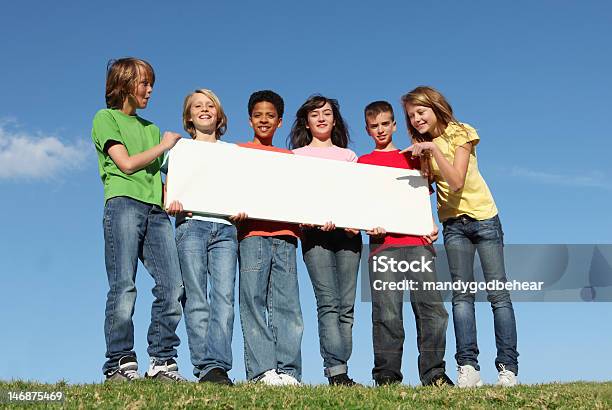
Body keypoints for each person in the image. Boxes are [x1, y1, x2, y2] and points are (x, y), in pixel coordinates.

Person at [401, 86, 519, 387]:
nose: (416, 119)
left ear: (435, 106)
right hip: (454, 226)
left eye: (420, 111)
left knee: (497, 294)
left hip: (484, 220)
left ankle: (507, 367)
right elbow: (422, 190)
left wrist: (434, 150)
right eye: (411, 115)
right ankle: (468, 366)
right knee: (462, 297)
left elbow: (455, 181)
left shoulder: (461, 132)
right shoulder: (422, 146)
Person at [91, 57, 186, 382]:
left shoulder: (152, 128)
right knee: (124, 286)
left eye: (151, 84)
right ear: (124, 84)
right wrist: (163, 146)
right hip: (123, 206)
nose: (149, 90)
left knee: (173, 286)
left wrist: (175, 195)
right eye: (144, 83)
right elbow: (127, 164)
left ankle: (161, 361)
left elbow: (161, 177)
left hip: (156, 213)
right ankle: (119, 362)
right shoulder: (105, 118)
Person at [358, 100, 454, 387]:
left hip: (417, 242)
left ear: (395, 125)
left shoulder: (412, 157)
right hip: (382, 245)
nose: (380, 130)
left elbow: (424, 195)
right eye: (374, 126)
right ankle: (387, 374)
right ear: (367, 129)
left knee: (432, 309)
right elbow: (361, 205)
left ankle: (434, 372)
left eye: (385, 124)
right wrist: (367, 224)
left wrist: (431, 224)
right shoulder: (362, 163)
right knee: (387, 311)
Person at [164, 89, 239, 385]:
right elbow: (166, 186)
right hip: (191, 226)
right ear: (189, 115)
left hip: (225, 229)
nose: (204, 110)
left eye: (210, 105)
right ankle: (205, 366)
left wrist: (240, 208)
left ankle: (219, 364)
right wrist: (172, 201)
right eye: (198, 106)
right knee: (196, 296)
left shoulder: (233, 152)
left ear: (219, 114)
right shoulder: (178, 149)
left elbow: (242, 188)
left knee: (224, 298)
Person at [288, 95, 362, 386]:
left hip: (348, 235)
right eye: (315, 114)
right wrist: (302, 218)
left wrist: (356, 221)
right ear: (306, 121)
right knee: (328, 303)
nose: (321, 118)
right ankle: (337, 371)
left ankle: (341, 365)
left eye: (327, 113)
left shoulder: (349, 157)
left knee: (346, 306)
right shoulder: (296, 156)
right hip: (314, 235)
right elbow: (293, 196)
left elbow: (356, 195)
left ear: (335, 120)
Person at [235, 90, 304, 386]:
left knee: (288, 304)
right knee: (253, 300)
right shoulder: (237, 152)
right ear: (250, 120)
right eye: (258, 115)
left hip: (286, 235)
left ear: (279, 122)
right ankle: (262, 370)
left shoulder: (290, 158)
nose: (264, 120)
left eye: (270, 116)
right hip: (251, 234)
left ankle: (288, 371)